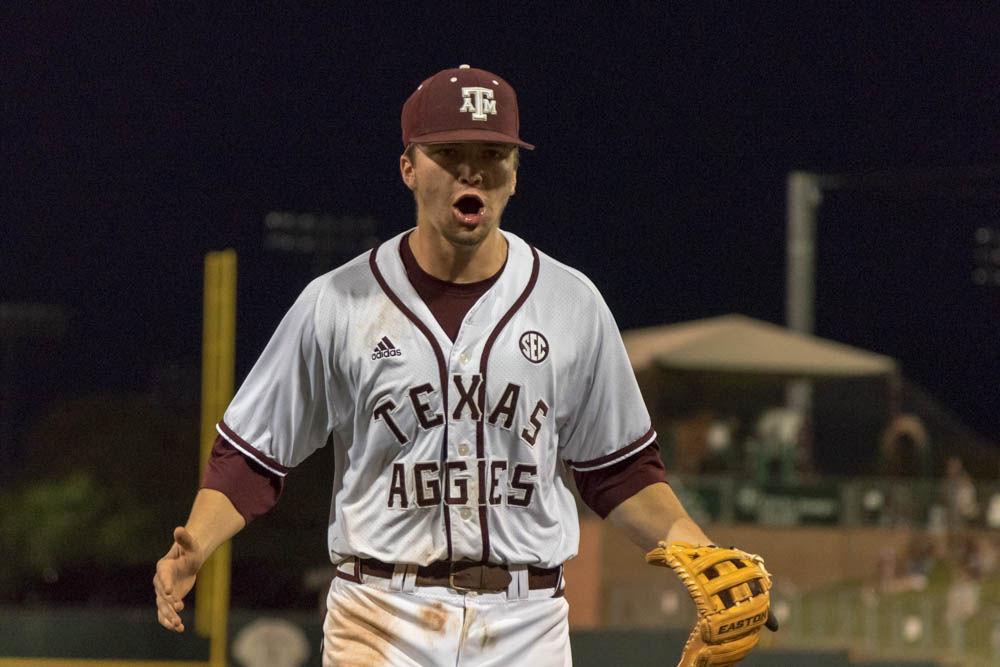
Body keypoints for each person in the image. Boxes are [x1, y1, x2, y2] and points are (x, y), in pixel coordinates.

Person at [153, 64, 769, 665]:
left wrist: (694, 542)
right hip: (380, 613)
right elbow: (253, 454)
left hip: (527, 623)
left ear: (514, 176)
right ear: (408, 168)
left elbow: (619, 467)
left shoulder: (570, 303)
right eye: (449, 152)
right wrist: (195, 544)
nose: (472, 169)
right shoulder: (337, 303)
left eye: (493, 154)